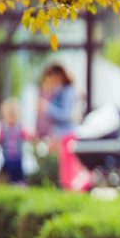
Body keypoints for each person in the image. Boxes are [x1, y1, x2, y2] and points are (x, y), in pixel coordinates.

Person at [37, 63, 89, 191]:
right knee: (65, 171)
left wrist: (47, 108)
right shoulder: (59, 90)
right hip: (62, 135)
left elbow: (65, 114)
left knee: (70, 172)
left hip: (68, 135)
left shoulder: (69, 91)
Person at [0, 97, 30, 185]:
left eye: (13, 115)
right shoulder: (3, 127)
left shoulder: (19, 127)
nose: (11, 117)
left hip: (18, 156)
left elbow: (26, 135)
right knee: (9, 172)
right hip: (7, 156)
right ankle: (11, 183)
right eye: (9, 115)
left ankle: (20, 183)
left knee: (19, 171)